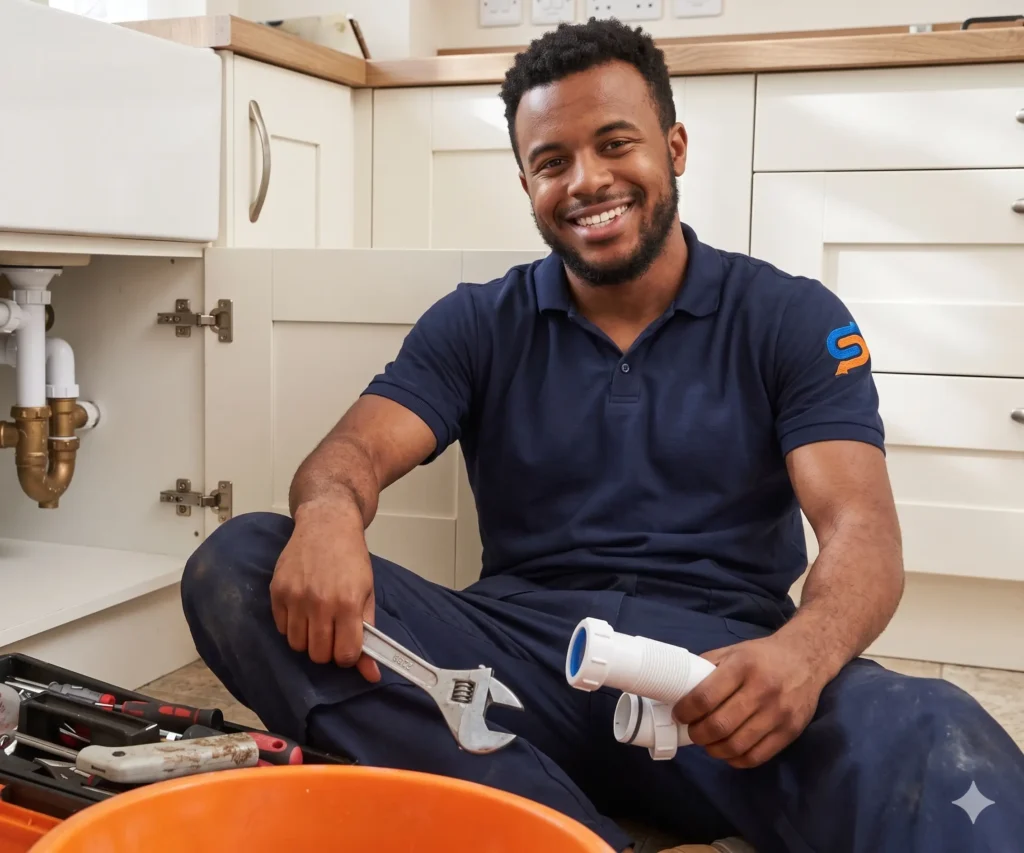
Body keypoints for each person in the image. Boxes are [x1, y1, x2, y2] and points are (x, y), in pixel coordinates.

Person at [180, 18, 1024, 853]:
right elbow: (353, 451)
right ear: (526, 183)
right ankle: (569, 836)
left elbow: (862, 529)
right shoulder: (477, 322)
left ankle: (506, 819)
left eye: (616, 144)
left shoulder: (791, 317)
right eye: (552, 162)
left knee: (943, 739)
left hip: (717, 681)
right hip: (513, 674)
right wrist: (328, 513)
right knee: (243, 564)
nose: (586, 181)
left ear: (676, 148)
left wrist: (802, 656)